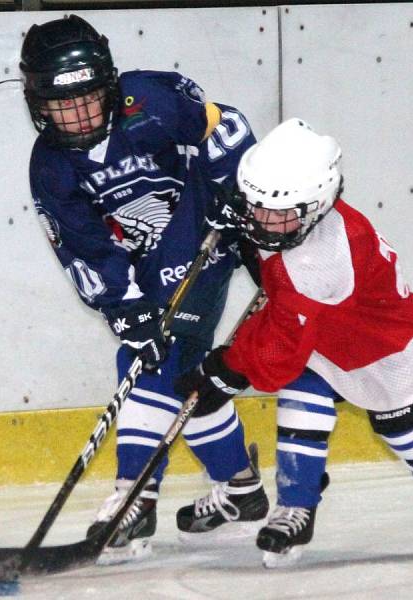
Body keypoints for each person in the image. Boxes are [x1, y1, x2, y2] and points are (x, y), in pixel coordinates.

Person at [175, 118, 413, 567]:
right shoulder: (288, 217)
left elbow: (281, 344)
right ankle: (296, 508)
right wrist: (239, 222)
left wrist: (226, 370)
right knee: (301, 410)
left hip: (381, 351)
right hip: (318, 338)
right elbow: (282, 303)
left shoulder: (324, 258)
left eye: (278, 213)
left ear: (317, 204)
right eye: (256, 207)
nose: (265, 221)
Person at [18, 14, 269, 562]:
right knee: (175, 368)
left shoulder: (153, 97)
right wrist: (123, 305)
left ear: (110, 86)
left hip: (206, 230)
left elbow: (224, 126)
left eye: (89, 98)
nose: (81, 116)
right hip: (149, 262)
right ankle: (242, 488)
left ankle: (136, 497)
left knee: (155, 362)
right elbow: (84, 248)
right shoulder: (50, 168)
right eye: (65, 105)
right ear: (37, 105)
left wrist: (235, 185)